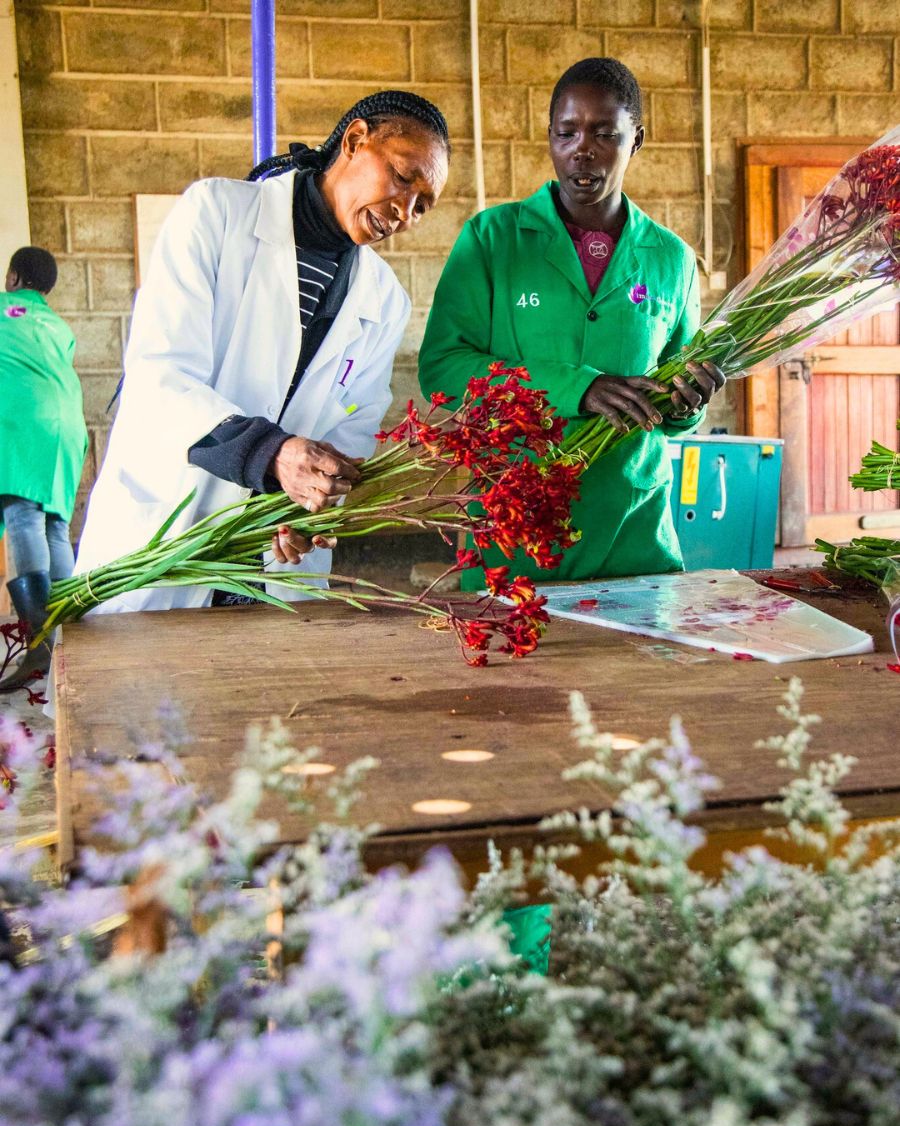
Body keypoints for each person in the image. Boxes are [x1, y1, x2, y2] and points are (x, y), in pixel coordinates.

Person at [75, 90, 450, 613]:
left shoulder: (384, 301)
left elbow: (351, 432)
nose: (405, 212)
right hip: (166, 537)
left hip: (273, 564)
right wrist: (272, 455)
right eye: (403, 178)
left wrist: (308, 504)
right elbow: (160, 378)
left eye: (422, 206)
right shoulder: (217, 215)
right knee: (142, 690)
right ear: (355, 139)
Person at [418, 58, 725, 586]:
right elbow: (443, 369)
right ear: (550, 138)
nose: (582, 148)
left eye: (605, 133)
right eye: (567, 132)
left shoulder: (670, 258)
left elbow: (673, 398)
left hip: (633, 536)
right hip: (517, 535)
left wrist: (688, 400)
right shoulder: (493, 239)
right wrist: (577, 388)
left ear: (637, 141)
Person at [0, 246, 86, 691]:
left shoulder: (3, 307)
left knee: (22, 518)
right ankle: (65, 642)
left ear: (13, 277)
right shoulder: (57, 325)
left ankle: (40, 649)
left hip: (24, 423)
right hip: (68, 426)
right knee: (54, 525)